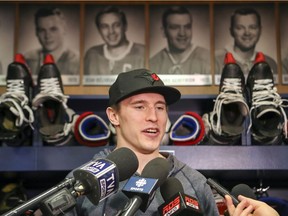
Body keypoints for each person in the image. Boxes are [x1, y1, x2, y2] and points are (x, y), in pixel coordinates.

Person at [61, 68, 219, 215]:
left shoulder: (195, 183)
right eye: (140, 107)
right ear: (114, 116)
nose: (153, 117)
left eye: (160, 107)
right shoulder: (82, 183)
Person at [215, 7, 277, 77]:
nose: (247, 33)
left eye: (252, 27)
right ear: (231, 31)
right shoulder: (215, 61)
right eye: (240, 28)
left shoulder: (270, 63)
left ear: (260, 30)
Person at [84, 6, 145, 75]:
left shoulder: (143, 53)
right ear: (99, 30)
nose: (111, 31)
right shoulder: (92, 55)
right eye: (104, 26)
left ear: (125, 26)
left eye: (116, 25)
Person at [149, 6, 210, 75]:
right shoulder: (152, 64)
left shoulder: (209, 60)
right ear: (164, 31)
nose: (182, 33)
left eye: (187, 27)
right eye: (175, 27)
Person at [24, 6, 79, 75]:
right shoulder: (27, 60)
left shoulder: (78, 62)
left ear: (64, 29)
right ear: (36, 32)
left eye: (53, 29)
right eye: (42, 30)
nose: (47, 36)